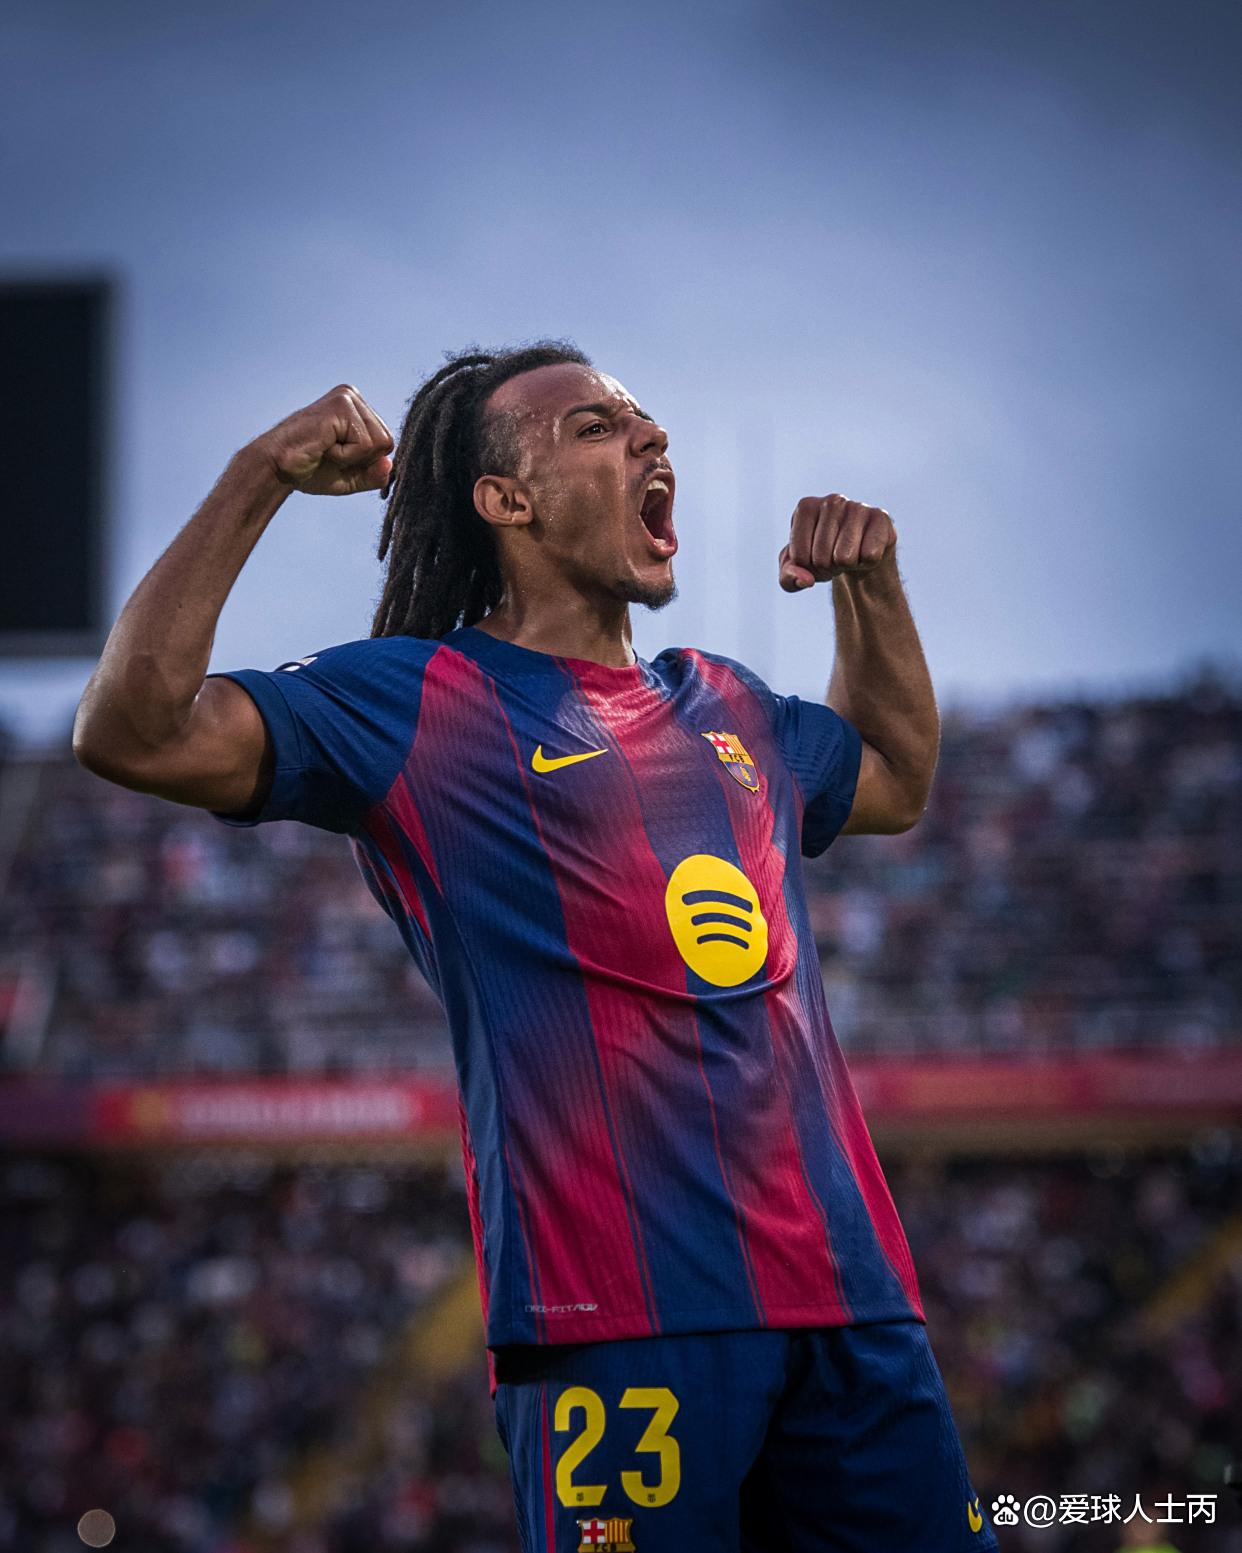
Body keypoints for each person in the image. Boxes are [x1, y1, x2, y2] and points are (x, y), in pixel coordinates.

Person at [74, 341, 996, 1551]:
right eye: (596, 427)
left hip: (855, 1304)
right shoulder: (414, 701)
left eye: (645, 419)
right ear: (506, 500)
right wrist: (261, 471)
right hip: (621, 1321)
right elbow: (133, 729)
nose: (649, 436)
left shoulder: (729, 701)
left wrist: (871, 586)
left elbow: (893, 776)